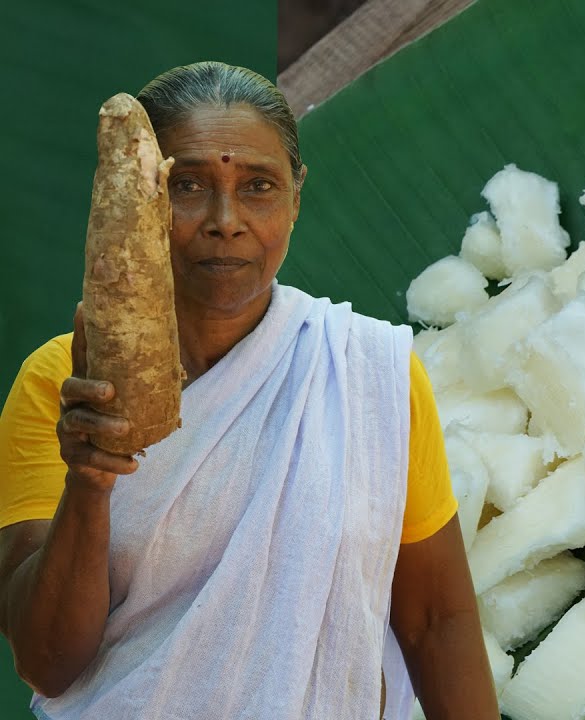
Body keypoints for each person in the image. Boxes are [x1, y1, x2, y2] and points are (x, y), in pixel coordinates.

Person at [0, 61, 500, 720]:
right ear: (140, 199)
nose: (225, 220)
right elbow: (46, 661)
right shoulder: (61, 381)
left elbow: (436, 620)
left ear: (296, 198)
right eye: (187, 186)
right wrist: (89, 479)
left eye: (258, 187)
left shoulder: (367, 372)